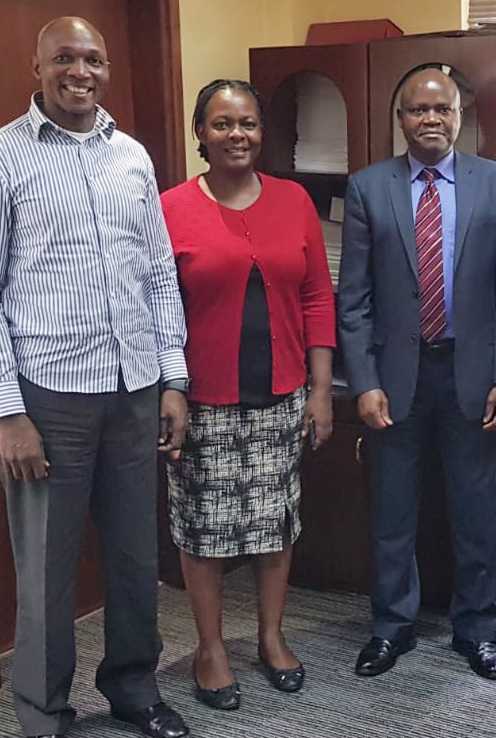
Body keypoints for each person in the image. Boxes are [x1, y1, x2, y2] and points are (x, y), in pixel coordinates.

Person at [0, 17, 191, 738]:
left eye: (91, 58)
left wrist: (172, 378)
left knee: (132, 558)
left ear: (107, 68)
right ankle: (43, 713)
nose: (78, 70)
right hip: (45, 400)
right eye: (64, 57)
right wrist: (6, 410)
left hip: (133, 390)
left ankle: (132, 689)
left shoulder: (133, 158)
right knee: (47, 577)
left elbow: (157, 273)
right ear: (38, 66)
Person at [337, 68, 496, 680]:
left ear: (459, 116)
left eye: (442, 110)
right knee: (393, 511)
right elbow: (355, 301)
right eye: (419, 110)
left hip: (472, 374)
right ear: (401, 119)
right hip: (396, 377)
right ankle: (392, 628)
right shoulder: (369, 188)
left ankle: (478, 630)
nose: (431, 120)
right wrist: (364, 381)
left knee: (477, 512)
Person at [159, 80, 336, 710]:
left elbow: (317, 297)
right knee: (203, 530)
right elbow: (158, 305)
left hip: (283, 392)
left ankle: (270, 635)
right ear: (200, 134)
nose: (238, 135)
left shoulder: (294, 201)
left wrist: (320, 389)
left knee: (273, 524)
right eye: (223, 124)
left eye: (249, 124)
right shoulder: (171, 207)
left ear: (263, 132)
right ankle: (209, 648)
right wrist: (169, 388)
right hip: (202, 399)